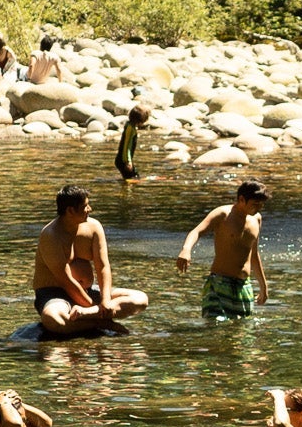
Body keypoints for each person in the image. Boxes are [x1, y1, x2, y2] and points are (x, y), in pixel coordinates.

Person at [33, 186, 148, 338]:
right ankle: (99, 323)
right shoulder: (51, 235)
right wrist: (98, 310)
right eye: (85, 206)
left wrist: (105, 301)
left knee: (140, 299)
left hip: (88, 293)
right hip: (56, 294)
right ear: (70, 210)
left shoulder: (93, 227)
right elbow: (65, 280)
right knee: (53, 319)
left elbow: (103, 266)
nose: (90, 209)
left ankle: (85, 316)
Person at [175, 181, 270, 319]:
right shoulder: (223, 214)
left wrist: (263, 287)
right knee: (215, 327)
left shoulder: (257, 219)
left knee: (242, 333)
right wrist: (186, 250)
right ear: (241, 199)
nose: (258, 208)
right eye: (255, 204)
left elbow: (254, 254)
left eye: (261, 205)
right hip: (220, 283)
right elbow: (197, 231)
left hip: (244, 286)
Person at [115, 105, 151, 183]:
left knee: (134, 177)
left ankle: (125, 188)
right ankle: (127, 193)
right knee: (133, 179)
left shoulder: (129, 125)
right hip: (123, 160)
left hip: (122, 160)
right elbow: (127, 146)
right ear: (139, 120)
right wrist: (128, 162)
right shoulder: (130, 129)